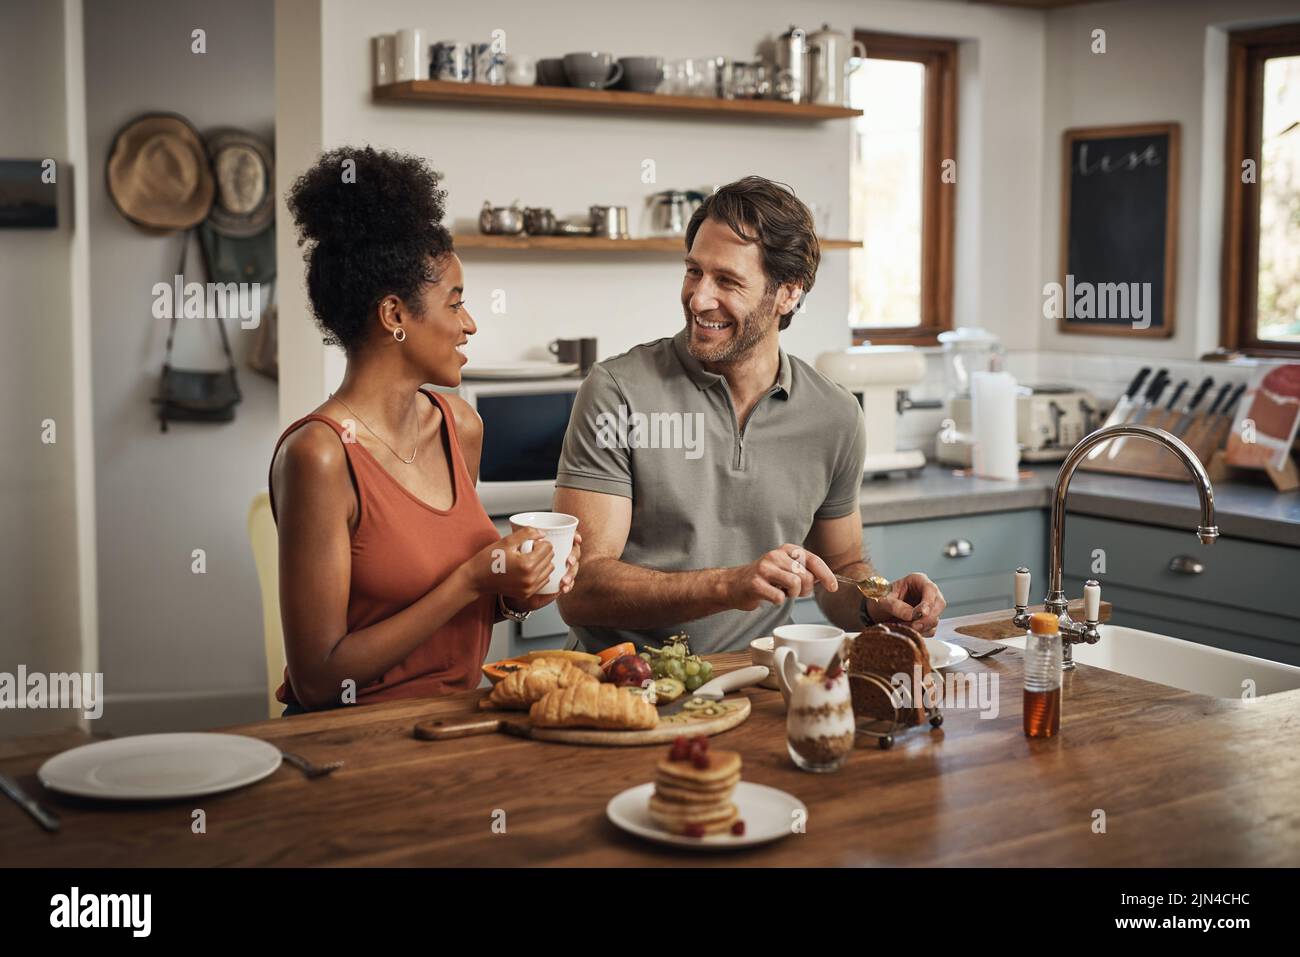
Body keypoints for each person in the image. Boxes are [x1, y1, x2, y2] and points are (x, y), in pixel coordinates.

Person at [553, 176, 942, 655]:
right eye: (694, 271)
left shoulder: (834, 416)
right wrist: (729, 585)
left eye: (727, 281)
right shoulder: (617, 391)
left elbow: (840, 568)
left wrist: (878, 601)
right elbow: (581, 589)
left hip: (757, 686)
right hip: (621, 687)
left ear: (787, 294)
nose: (698, 299)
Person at [270, 147, 579, 713]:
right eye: (454, 304)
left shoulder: (460, 426)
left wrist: (520, 589)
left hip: (456, 725)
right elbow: (318, 679)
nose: (469, 325)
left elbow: (470, 609)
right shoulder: (318, 456)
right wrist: (472, 578)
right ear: (394, 316)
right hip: (352, 743)